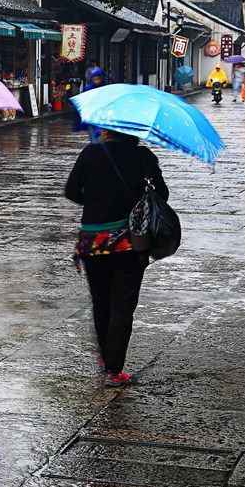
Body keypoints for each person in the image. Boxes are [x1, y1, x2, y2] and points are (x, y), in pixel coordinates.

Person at [64, 128, 169, 387]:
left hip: (93, 242)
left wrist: (96, 200)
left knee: (101, 300)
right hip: (130, 243)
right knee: (122, 305)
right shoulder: (143, 157)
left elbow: (71, 191)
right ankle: (114, 369)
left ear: (108, 131)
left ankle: (104, 358)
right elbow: (162, 195)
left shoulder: (90, 153)